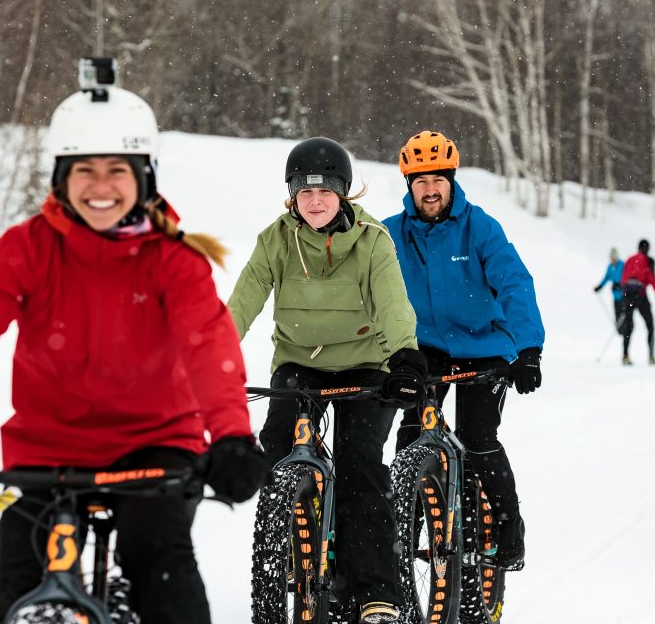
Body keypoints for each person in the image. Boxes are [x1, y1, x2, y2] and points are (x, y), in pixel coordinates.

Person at [0, 73, 268, 624]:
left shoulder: (173, 259)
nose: (101, 185)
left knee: (160, 564)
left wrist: (233, 436)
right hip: (47, 450)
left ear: (144, 176)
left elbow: (208, 346)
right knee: (19, 578)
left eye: (117, 169)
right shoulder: (25, 249)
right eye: (84, 170)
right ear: (60, 178)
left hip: (156, 446)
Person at [228, 137, 424, 624]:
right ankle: (298, 549)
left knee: (360, 467)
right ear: (291, 195)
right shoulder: (275, 239)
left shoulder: (373, 240)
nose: (314, 199)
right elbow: (242, 300)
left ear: (344, 193)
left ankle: (378, 592)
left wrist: (404, 357)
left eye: (325, 189)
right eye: (303, 190)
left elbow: (393, 304)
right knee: (276, 445)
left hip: (366, 363)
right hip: (299, 362)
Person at [383, 130, 545, 571]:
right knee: (412, 432)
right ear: (408, 186)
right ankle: (401, 534)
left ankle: (509, 526)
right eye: (420, 182)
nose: (430, 190)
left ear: (451, 181)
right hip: (425, 348)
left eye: (437, 180)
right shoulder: (389, 234)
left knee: (477, 437)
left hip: (483, 345)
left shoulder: (480, 228)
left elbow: (515, 284)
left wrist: (528, 349)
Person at [618, 238, 655, 365]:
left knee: (629, 326)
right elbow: (651, 278)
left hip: (628, 295)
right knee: (650, 325)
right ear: (647, 249)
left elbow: (623, 278)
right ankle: (651, 357)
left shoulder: (630, 259)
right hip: (640, 295)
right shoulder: (648, 261)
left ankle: (625, 355)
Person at [594, 247, 625, 329]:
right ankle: (619, 329)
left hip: (623, 293)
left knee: (623, 312)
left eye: (614, 258)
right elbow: (606, 278)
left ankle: (624, 329)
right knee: (617, 311)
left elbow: (627, 276)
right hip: (615, 294)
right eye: (611, 258)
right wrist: (600, 286)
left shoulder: (622, 264)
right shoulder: (610, 267)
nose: (613, 260)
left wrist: (621, 284)